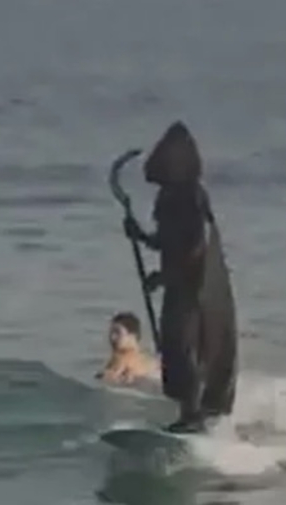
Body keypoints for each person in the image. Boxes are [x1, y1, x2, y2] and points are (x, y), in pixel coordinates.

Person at [123, 121, 238, 433]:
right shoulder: (170, 196)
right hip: (182, 285)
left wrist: (164, 276)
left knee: (189, 345)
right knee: (176, 346)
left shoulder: (190, 197)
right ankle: (190, 411)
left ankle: (194, 414)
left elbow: (193, 246)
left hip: (196, 286)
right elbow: (169, 241)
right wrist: (141, 236)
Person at [95, 312, 159, 385]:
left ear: (132, 336)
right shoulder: (146, 357)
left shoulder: (123, 359)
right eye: (111, 333)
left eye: (117, 333)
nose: (112, 338)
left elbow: (108, 379)